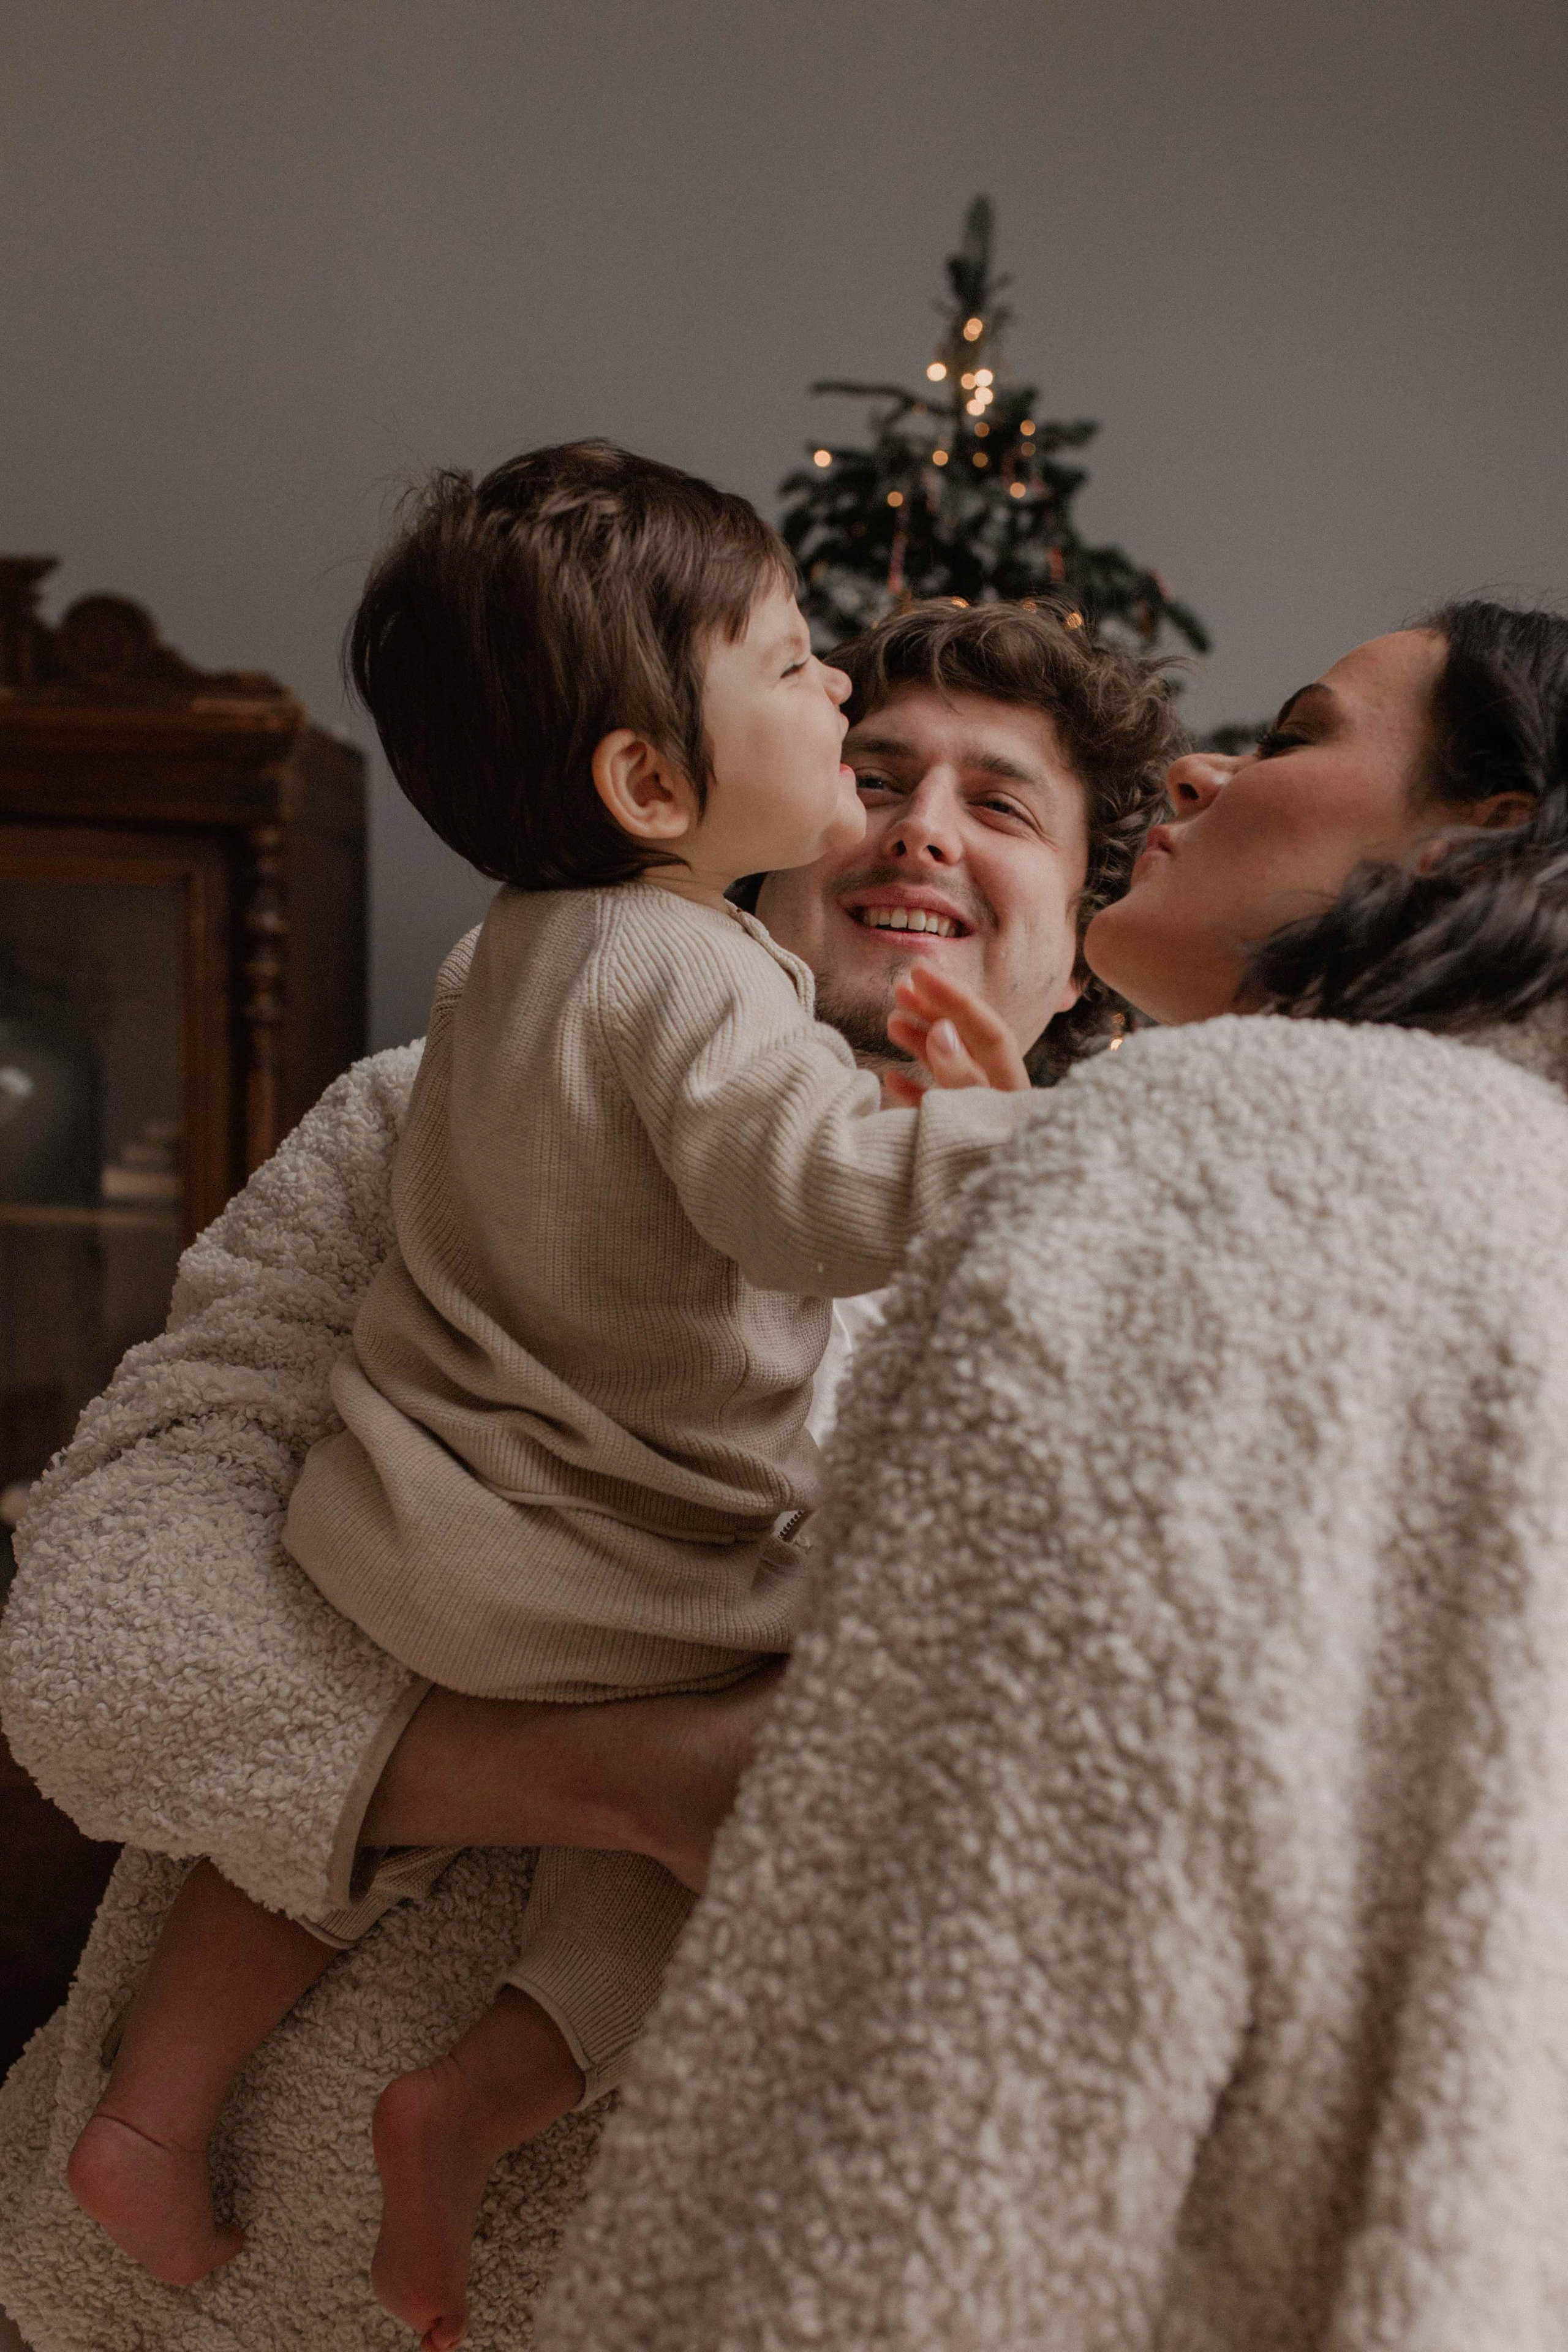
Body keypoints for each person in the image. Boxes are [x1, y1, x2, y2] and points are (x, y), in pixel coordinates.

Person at [0, 584, 1176, 2351]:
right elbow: (97, 1640)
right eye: (872, 769)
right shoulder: (438, 1118)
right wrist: (612, 1775)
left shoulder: (1139, 1282)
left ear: (1086, 943)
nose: (919, 823)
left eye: (999, 803)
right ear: (737, 831)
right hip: (221, 2300)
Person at [527, 604, 1568, 2352]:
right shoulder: (1500, 1185)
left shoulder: (1191, 1158)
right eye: (870, 774)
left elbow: (1001, 1999)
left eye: (1298, 732)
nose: (1205, 770)